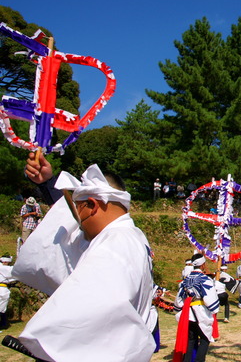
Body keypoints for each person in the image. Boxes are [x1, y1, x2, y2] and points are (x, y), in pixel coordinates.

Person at [14, 152, 156, 361]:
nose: (77, 220)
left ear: (92, 205)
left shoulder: (115, 244)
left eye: (79, 208)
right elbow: (71, 220)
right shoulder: (130, 236)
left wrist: (48, 343)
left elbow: (93, 308)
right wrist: (47, 184)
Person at [173, 253, 220, 362]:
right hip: (201, 311)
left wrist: (178, 309)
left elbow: (179, 298)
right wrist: (214, 309)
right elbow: (210, 298)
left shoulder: (185, 280)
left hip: (188, 313)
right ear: (203, 265)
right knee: (205, 338)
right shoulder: (205, 279)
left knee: (191, 339)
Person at [0, 255, 16, 331]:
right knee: (1, 308)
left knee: (2, 308)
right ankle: (2, 324)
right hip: (1, 289)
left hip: (2, 288)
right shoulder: (2, 268)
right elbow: (12, 272)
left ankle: (3, 324)